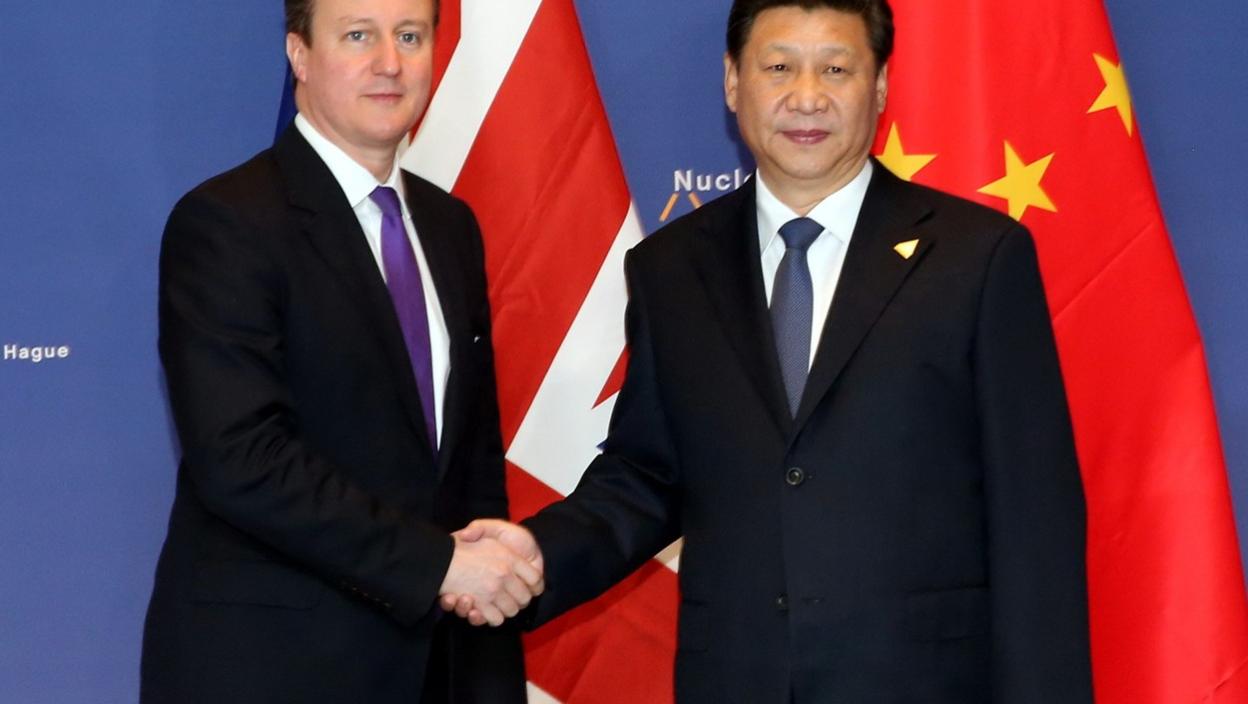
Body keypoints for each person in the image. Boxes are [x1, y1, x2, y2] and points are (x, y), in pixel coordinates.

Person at [447, 0, 1093, 701]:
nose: (806, 97)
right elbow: (648, 477)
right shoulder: (671, 268)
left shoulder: (976, 258)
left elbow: (1034, 519)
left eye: (836, 69)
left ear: (879, 87)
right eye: (779, 67)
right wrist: (538, 557)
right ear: (733, 82)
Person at [140, 0, 541, 701]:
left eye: (410, 36)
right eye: (358, 35)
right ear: (299, 54)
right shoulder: (226, 223)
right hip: (276, 667)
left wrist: (489, 590)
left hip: (441, 664)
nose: (389, 62)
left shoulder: (450, 226)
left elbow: (470, 460)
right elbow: (243, 459)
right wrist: (438, 565)